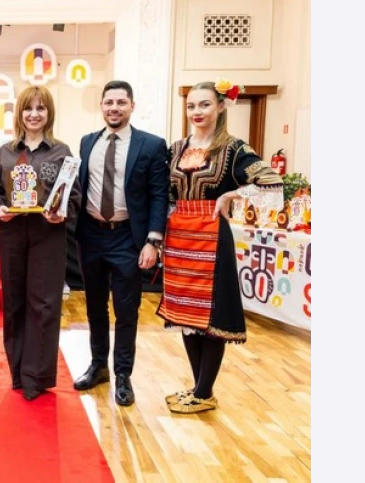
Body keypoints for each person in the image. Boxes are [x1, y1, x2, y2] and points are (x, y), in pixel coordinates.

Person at [157, 80, 282, 413]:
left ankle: (204, 391)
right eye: (191, 106)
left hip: (212, 236)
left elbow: (272, 182)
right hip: (179, 236)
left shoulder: (233, 148)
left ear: (221, 106)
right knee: (186, 312)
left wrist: (232, 194)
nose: (196, 112)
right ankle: (199, 388)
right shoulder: (177, 148)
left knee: (210, 313)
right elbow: (166, 192)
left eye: (205, 104)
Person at [72, 80, 169, 407]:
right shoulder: (87, 142)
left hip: (128, 237)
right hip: (91, 234)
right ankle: (98, 366)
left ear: (132, 106)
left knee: (126, 309)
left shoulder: (151, 145)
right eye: (109, 102)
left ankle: (123, 374)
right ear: (101, 106)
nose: (114, 108)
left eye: (121, 102)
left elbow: (159, 195)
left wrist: (153, 241)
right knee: (95, 306)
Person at [0, 85, 80, 401]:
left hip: (47, 233)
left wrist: (61, 213)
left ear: (49, 113)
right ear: (19, 113)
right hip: (12, 233)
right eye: (28, 108)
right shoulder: (5, 153)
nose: (34, 114)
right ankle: (18, 372)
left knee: (45, 303)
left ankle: (36, 376)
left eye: (41, 108)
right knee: (14, 301)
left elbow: (74, 196)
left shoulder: (62, 152)